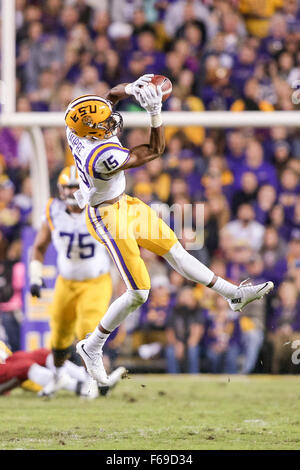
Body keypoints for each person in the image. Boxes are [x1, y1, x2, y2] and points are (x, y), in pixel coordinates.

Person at [63, 73, 274, 386]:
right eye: (105, 125)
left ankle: (233, 294)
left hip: (124, 203)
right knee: (139, 292)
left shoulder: (78, 127)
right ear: (93, 134)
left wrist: (131, 88)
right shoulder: (101, 156)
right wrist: (154, 113)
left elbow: (109, 95)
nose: (112, 123)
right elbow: (153, 150)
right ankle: (92, 346)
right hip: (106, 216)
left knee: (175, 248)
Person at [29, 165, 113, 395]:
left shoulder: (99, 208)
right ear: (60, 189)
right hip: (65, 281)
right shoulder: (53, 210)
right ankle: (57, 377)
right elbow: (39, 246)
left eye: (76, 187)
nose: (71, 192)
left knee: (88, 330)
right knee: (58, 336)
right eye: (68, 188)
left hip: (96, 281)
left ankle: (92, 381)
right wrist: (35, 277)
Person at [0, 340, 125, 398]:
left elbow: (6, 355)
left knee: (41, 354)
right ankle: (80, 386)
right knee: (23, 366)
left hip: (9, 362)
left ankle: (96, 380)